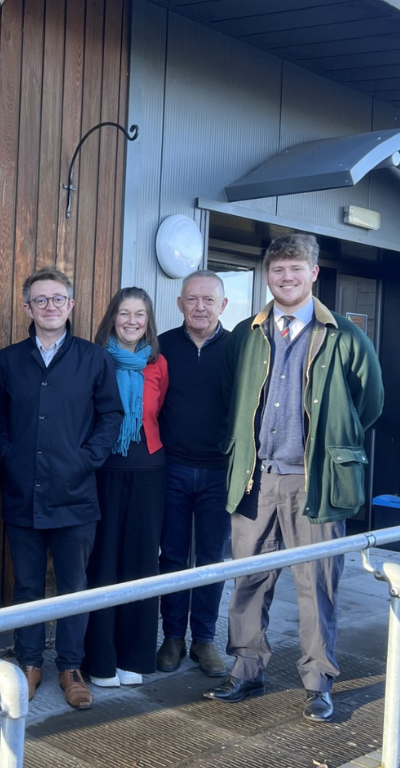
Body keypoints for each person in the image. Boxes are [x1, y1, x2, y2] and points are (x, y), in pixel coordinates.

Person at [204, 234, 383, 723]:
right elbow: (230, 398)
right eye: (278, 270)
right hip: (255, 480)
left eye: (296, 269)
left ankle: (318, 681)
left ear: (313, 273)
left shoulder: (344, 335)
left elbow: (369, 403)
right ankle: (245, 669)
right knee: (248, 580)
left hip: (315, 482)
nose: (287, 278)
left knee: (317, 585)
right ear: (268, 275)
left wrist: (329, 446)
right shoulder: (246, 333)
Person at [0, 266, 123, 710]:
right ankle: (29, 663)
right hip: (22, 494)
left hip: (76, 495)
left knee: (73, 586)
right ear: (27, 307)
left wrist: (86, 460)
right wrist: (9, 455)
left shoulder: (94, 358)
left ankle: (70, 667)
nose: (49, 307)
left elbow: (111, 417)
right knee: (27, 586)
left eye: (57, 299)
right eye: (40, 300)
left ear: (71, 305)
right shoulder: (9, 360)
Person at [83, 288, 168, 688]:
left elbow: (160, 410)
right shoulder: (94, 359)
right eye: (124, 313)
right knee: (103, 563)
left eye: (140, 314)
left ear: (148, 320)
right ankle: (100, 661)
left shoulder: (158, 364)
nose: (132, 321)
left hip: (149, 469)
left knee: (141, 563)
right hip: (104, 470)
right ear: (112, 317)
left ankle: (136, 657)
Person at [155, 270, 231, 678]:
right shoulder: (162, 346)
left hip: (220, 472)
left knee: (211, 559)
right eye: (192, 299)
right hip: (173, 469)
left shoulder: (239, 348)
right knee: (171, 556)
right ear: (180, 303)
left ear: (223, 305)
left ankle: (204, 639)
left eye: (208, 300)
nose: (199, 307)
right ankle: (171, 637)